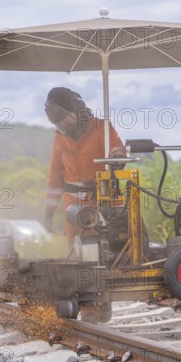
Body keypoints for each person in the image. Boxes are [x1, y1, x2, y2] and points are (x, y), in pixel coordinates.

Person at [43, 87, 126, 249]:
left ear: (77, 111)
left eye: (65, 119)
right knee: (76, 253)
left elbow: (117, 148)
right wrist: (48, 212)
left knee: (116, 245)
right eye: (58, 123)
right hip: (73, 207)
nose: (63, 125)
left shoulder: (102, 127)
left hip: (105, 198)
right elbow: (54, 179)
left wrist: (117, 158)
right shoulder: (60, 138)